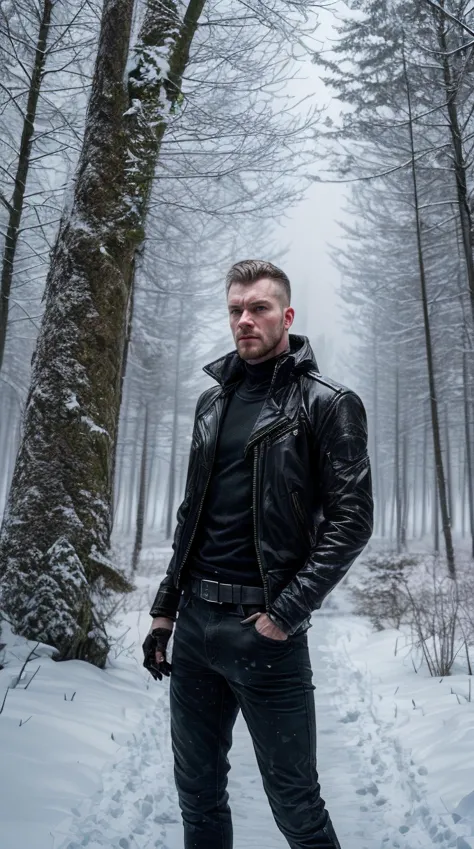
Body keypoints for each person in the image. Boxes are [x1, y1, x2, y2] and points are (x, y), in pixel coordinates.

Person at [143, 259, 373, 849]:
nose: (245, 320)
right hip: (195, 631)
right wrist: (165, 610)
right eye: (235, 310)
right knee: (197, 799)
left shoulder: (328, 404)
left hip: (264, 634)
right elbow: (192, 512)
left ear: (287, 316)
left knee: (297, 806)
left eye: (259, 308)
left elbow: (352, 522)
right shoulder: (210, 403)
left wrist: (286, 614)